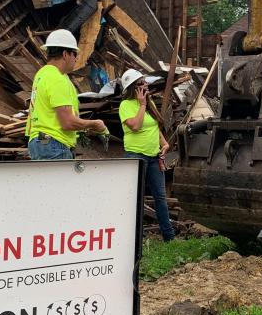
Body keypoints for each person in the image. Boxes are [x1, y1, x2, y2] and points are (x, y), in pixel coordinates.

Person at [26, 29, 108, 160]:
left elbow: (51, 116)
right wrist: (95, 124)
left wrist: (80, 129)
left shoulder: (42, 74)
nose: (76, 59)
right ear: (65, 54)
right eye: (74, 54)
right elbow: (67, 123)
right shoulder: (57, 78)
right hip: (54, 144)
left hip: (40, 140)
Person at [118, 68, 175, 241]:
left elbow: (153, 127)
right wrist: (142, 104)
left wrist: (164, 143)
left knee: (160, 197)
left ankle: (169, 236)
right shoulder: (126, 105)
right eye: (141, 84)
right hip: (136, 156)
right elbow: (135, 126)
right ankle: (135, 237)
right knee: (135, 198)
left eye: (145, 83)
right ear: (133, 88)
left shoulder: (148, 105)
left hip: (153, 157)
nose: (146, 86)